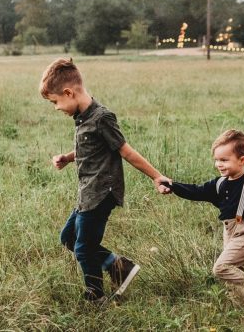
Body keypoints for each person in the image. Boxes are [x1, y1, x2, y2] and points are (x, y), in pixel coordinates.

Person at [43, 57, 173, 303]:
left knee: (83, 247)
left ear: (69, 93)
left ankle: (95, 296)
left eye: (56, 102)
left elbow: (126, 151)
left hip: (102, 193)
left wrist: (157, 177)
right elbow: (92, 148)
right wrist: (68, 157)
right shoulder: (82, 117)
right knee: (68, 238)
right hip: (87, 193)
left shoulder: (102, 117)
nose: (56, 108)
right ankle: (119, 267)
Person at [160, 129, 244, 311]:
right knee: (235, 274)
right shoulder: (219, 183)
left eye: (224, 160)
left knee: (221, 268)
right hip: (229, 233)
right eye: (217, 160)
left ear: (242, 160)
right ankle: (243, 311)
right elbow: (196, 191)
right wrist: (172, 185)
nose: (219, 164)